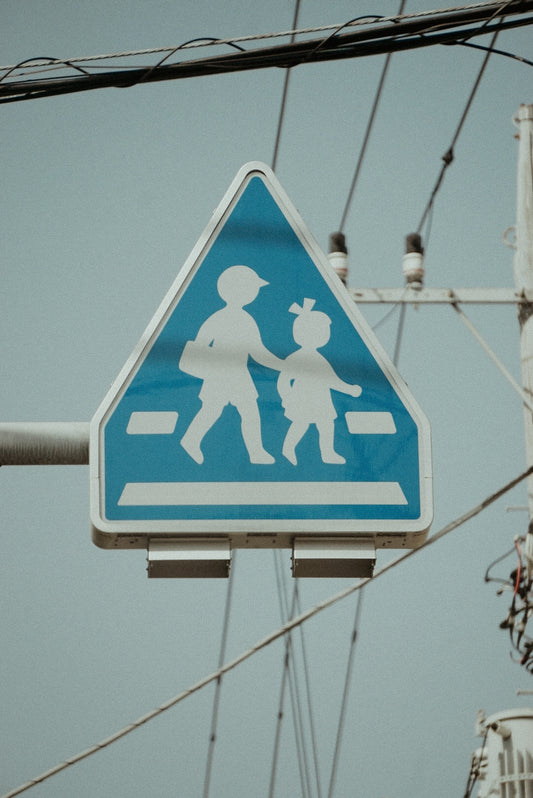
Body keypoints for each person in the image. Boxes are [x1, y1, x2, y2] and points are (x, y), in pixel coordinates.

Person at [179, 264, 284, 464]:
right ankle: (193, 440)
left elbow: (258, 352)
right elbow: (258, 353)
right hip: (223, 374)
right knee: (232, 411)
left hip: (235, 375)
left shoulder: (233, 318)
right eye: (252, 288)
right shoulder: (237, 319)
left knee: (239, 411)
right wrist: (284, 365)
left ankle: (254, 452)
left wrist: (282, 365)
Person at [277, 298, 362, 465]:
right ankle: (287, 448)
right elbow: (283, 380)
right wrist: (286, 397)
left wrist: (350, 389)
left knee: (326, 425)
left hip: (321, 400)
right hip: (303, 399)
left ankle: (328, 453)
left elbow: (332, 381)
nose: (325, 335)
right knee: (301, 423)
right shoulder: (295, 358)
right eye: (321, 331)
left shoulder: (320, 359)